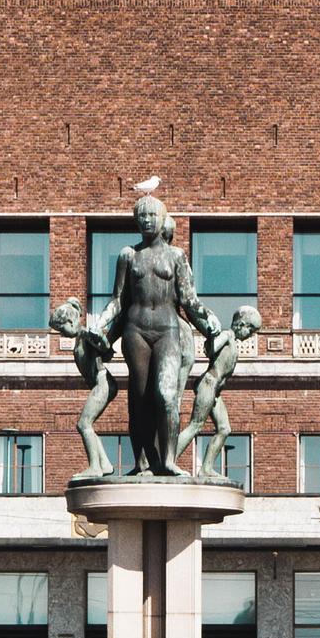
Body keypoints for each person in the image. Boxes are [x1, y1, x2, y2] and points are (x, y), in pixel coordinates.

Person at [86, 194, 221, 476]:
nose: (146, 220)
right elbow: (118, 300)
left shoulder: (176, 256)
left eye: (151, 216)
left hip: (167, 330)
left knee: (166, 394)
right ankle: (142, 462)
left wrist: (208, 321)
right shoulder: (128, 255)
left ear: (162, 219)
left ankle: (168, 460)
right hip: (135, 331)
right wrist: (101, 324)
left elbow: (189, 299)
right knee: (139, 396)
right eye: (141, 217)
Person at [174, 303, 263, 480]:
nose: (251, 335)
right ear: (242, 324)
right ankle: (167, 459)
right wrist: (213, 338)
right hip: (209, 384)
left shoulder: (232, 341)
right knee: (196, 425)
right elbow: (211, 349)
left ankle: (206, 468)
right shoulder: (227, 335)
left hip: (215, 391)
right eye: (251, 330)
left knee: (224, 429)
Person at [50, 296, 120, 480]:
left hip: (103, 382)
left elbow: (105, 347)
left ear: (72, 321)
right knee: (87, 424)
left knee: (84, 424)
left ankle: (95, 467)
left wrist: (100, 338)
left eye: (62, 328)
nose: (62, 334)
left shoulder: (86, 334)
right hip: (100, 384)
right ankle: (104, 464)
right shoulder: (80, 338)